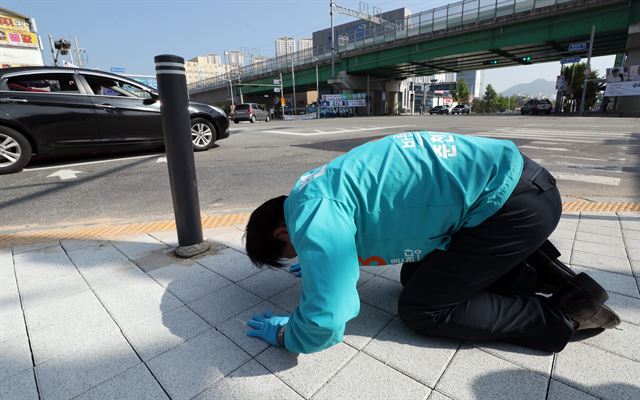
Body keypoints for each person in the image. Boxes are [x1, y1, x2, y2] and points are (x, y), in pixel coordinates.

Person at [244, 131, 620, 354]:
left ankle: (560, 317)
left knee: (423, 308)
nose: (302, 252)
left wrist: (289, 334)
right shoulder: (315, 184)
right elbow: (367, 218)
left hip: (512, 212)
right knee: (416, 272)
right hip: (525, 189)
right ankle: (542, 276)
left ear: (282, 231)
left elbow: (328, 317)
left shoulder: (313, 214)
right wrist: (320, 259)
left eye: (294, 249)